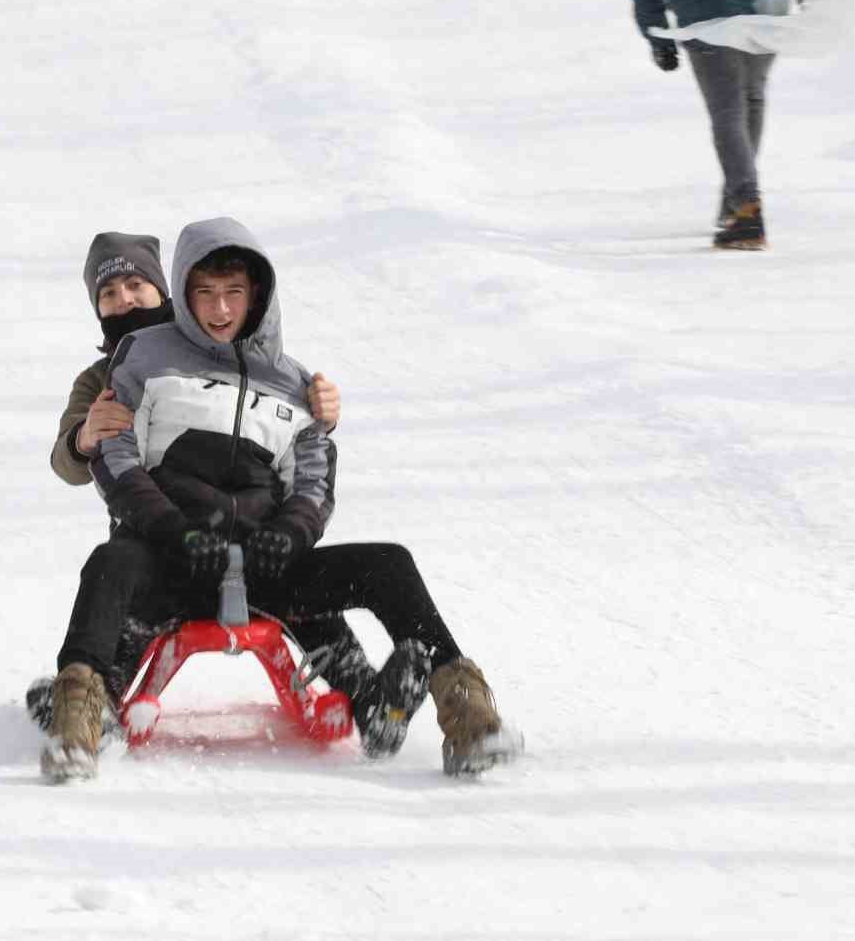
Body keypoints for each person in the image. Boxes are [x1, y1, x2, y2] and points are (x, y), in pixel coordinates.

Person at [41, 217, 520, 781]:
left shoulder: (289, 379)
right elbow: (92, 461)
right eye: (109, 293)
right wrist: (94, 446)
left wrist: (292, 531)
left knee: (386, 565)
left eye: (136, 288)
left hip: (262, 564)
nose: (124, 300)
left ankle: (459, 713)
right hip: (166, 556)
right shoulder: (124, 369)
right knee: (112, 568)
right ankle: (79, 712)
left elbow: (311, 476)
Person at [629, 0, 819, 250]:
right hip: (767, 7)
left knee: (727, 109)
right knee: (751, 98)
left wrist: (656, 35)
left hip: (707, 13)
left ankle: (745, 210)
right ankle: (735, 203)